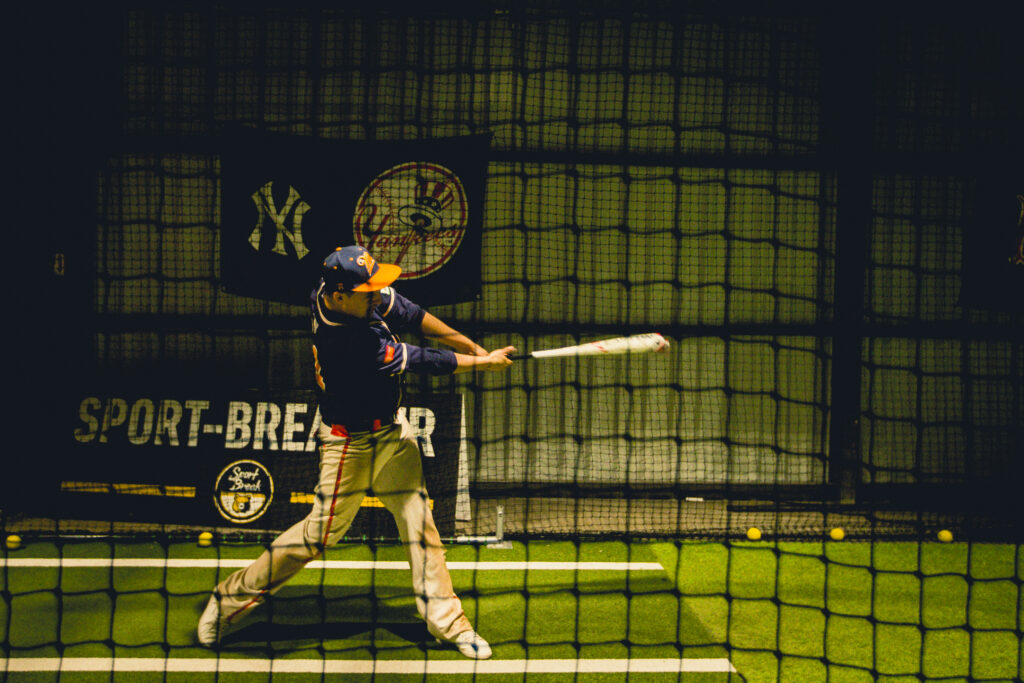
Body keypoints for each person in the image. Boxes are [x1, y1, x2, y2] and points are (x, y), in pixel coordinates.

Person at [197, 245, 514, 659]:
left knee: (420, 524)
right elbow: (423, 359)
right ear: (341, 294)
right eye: (367, 292)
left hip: (392, 435)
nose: (376, 296)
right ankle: (228, 600)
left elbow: (414, 316)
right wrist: (483, 365)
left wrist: (473, 346)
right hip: (350, 445)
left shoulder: (345, 296)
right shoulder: (346, 339)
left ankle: (449, 623)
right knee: (318, 536)